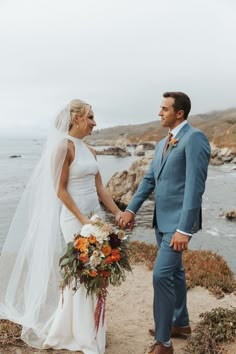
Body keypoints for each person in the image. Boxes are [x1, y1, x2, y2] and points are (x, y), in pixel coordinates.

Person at [0, 99, 122, 354]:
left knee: (97, 275)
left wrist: (117, 212)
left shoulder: (90, 150)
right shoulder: (62, 148)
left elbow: (100, 188)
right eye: (90, 117)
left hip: (94, 218)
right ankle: (78, 334)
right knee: (81, 275)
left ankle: (90, 330)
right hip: (74, 220)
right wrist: (82, 219)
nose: (94, 122)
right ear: (76, 118)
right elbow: (60, 189)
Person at [117, 92, 210, 354]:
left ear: (179, 113)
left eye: (164, 109)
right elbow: (148, 180)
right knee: (176, 274)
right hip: (160, 221)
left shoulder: (195, 139)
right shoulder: (161, 144)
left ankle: (163, 343)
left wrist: (184, 229)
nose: (159, 113)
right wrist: (132, 210)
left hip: (178, 225)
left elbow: (195, 187)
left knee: (160, 275)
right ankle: (180, 324)